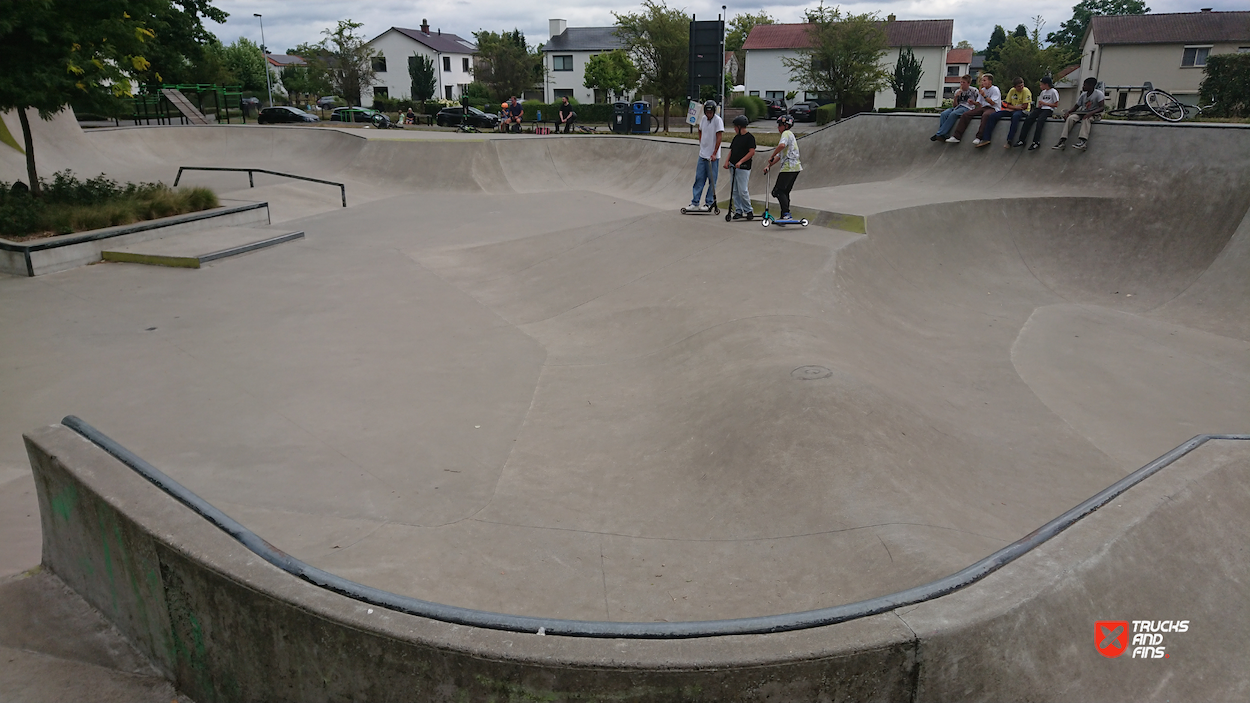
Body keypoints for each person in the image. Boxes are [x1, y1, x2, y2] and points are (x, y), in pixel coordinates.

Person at [763, 114, 801, 220]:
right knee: (785, 192)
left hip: (789, 167)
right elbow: (779, 156)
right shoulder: (790, 135)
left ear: (786, 126)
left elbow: (781, 146)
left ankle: (786, 214)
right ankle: (784, 215)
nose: (778, 127)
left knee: (777, 191)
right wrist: (768, 165)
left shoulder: (786, 133)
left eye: (780, 125)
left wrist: (771, 155)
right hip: (795, 168)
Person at [974, 77, 1031, 148]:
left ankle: (1009, 140)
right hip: (1012, 110)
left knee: (1015, 117)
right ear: (1015, 87)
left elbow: (1024, 106)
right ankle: (986, 138)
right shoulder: (1012, 91)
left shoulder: (1026, 91)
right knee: (993, 116)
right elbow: (1007, 104)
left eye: (1022, 85)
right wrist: (1013, 108)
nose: (1021, 87)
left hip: (1023, 111)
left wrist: (1013, 108)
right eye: (1019, 86)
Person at [689, 100, 724, 211]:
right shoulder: (703, 119)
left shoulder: (718, 121)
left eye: (710, 112)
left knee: (712, 180)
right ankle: (695, 202)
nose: (709, 114)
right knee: (699, 179)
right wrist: (701, 141)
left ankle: (709, 203)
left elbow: (719, 137)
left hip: (713, 157)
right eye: (707, 112)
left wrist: (714, 153)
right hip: (702, 154)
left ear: (714, 112)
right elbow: (699, 130)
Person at [1054, 77, 1105, 151]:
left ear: (1091, 85)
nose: (1083, 87)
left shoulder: (1099, 94)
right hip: (1083, 112)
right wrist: (1068, 112)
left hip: (1095, 114)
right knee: (1071, 118)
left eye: (1085, 85)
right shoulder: (1083, 95)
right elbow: (1076, 106)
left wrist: (1091, 113)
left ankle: (1083, 142)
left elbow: (1102, 108)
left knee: (1086, 119)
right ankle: (1062, 140)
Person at [948, 73, 1000, 144]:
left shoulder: (995, 89)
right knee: (966, 114)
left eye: (984, 80)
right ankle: (956, 136)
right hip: (983, 107)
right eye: (982, 81)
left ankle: (979, 137)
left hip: (992, 108)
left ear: (990, 82)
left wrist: (984, 95)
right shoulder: (982, 89)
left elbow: (993, 103)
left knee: (985, 115)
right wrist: (973, 102)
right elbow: (979, 103)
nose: (982, 82)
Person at [722, 114, 756, 219]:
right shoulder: (736, 138)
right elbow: (732, 150)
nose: (734, 129)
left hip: (743, 167)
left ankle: (748, 210)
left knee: (742, 190)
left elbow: (752, 152)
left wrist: (741, 162)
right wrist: (727, 161)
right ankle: (738, 210)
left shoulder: (749, 138)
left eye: (735, 126)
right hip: (733, 166)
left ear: (740, 126)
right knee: (735, 190)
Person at [1016, 76, 1060, 150]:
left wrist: (1045, 103)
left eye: (1041, 84)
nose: (1040, 86)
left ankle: (1036, 142)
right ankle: (1022, 139)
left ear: (1046, 84)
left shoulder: (1053, 91)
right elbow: (1040, 103)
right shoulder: (1043, 92)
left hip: (1048, 109)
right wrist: (1040, 105)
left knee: (1040, 121)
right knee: (1029, 119)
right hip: (1041, 108)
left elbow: (1055, 104)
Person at [932, 75, 977, 141]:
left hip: (968, 107)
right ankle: (943, 134)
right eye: (961, 82)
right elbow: (955, 105)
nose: (961, 84)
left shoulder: (974, 91)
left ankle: (939, 133)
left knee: (954, 114)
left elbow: (978, 102)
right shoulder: (957, 91)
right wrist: (956, 97)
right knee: (944, 114)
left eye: (963, 82)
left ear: (968, 83)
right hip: (958, 107)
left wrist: (973, 102)